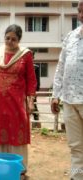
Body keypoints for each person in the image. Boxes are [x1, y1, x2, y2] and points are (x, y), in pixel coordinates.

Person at [0, 24, 36, 177]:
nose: (10, 41)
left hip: (17, 103)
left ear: (19, 40)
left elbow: (31, 80)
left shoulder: (25, 55)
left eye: (14, 39)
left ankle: (20, 169)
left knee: (17, 132)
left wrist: (30, 101)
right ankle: (0, 166)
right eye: (7, 38)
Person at [51, 1, 83, 179]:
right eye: (79, 11)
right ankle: (77, 176)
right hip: (69, 101)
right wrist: (56, 95)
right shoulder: (71, 36)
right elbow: (61, 66)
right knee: (76, 146)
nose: (81, 15)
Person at [32, 62, 41, 128]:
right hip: (22, 89)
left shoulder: (35, 67)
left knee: (34, 104)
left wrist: (36, 89)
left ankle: (36, 119)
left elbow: (37, 79)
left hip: (32, 90)